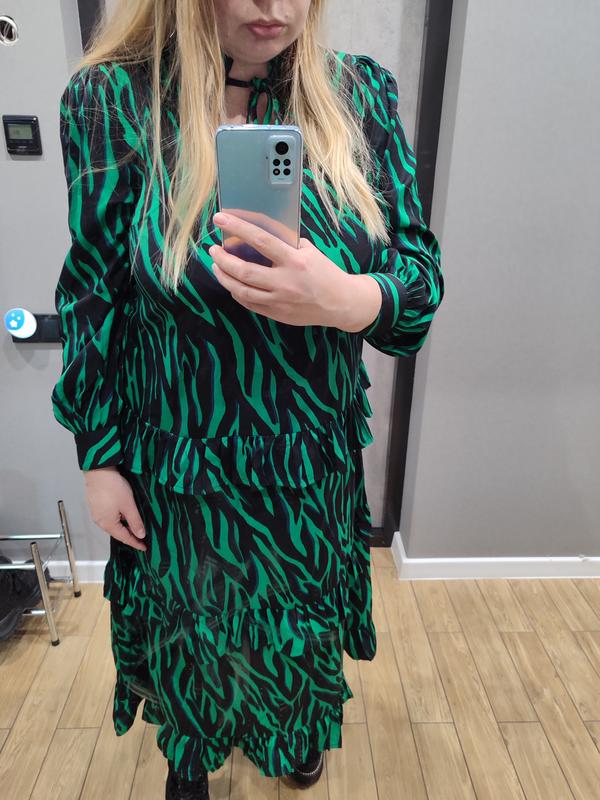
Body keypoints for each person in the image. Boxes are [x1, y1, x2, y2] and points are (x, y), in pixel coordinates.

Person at [51, 1, 444, 798]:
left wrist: (348, 299)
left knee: (295, 624)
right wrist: (99, 456)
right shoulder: (114, 101)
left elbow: (418, 277)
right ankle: (191, 757)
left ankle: (291, 728)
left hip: (307, 460)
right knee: (193, 629)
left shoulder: (357, 93)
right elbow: (94, 296)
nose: (276, 8)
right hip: (181, 460)